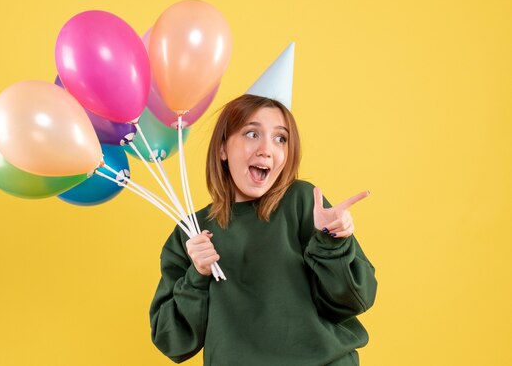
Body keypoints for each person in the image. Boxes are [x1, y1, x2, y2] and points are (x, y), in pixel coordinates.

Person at [149, 94, 377, 366]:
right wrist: (197, 275)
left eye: (280, 138)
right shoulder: (191, 233)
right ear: (222, 148)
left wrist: (332, 242)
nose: (267, 149)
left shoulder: (303, 202)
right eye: (252, 133)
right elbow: (172, 341)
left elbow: (355, 300)